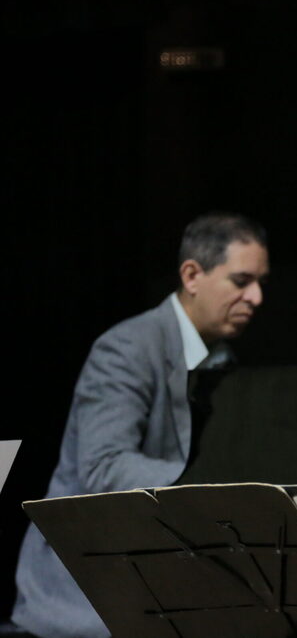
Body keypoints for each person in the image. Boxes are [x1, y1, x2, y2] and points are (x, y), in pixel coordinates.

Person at [8, 214, 270, 638]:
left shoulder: (221, 359)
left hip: (159, 574)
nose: (256, 296)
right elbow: (103, 469)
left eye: (260, 282)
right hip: (86, 589)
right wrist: (207, 486)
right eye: (241, 281)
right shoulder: (127, 347)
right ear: (192, 275)